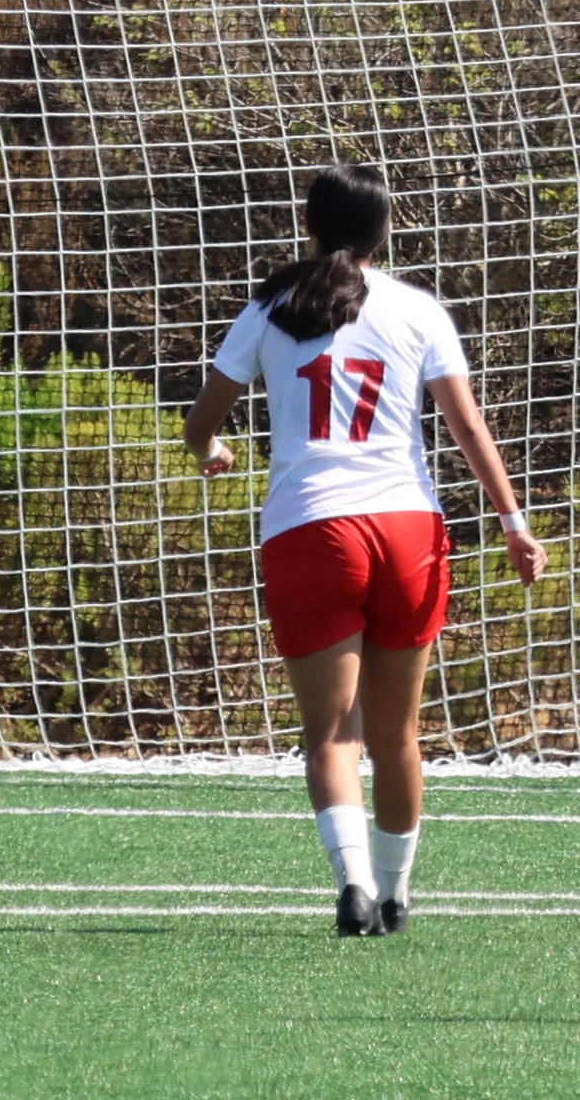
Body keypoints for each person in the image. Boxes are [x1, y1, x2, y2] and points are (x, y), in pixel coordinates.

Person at [184, 162, 546, 936]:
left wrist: (212, 450)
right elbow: (467, 427)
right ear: (386, 232)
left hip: (312, 529)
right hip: (408, 528)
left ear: (308, 227)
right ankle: (395, 894)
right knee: (397, 733)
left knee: (332, 735)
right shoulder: (419, 310)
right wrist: (513, 523)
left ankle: (351, 883)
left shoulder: (269, 307)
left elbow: (200, 421)